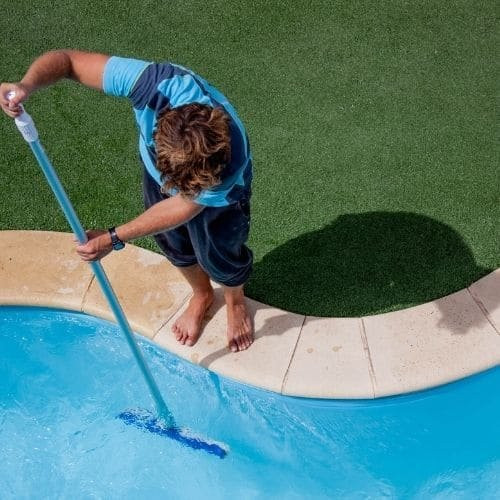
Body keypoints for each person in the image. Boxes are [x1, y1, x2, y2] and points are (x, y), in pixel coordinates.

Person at [0, 50, 254, 352]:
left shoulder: (230, 159)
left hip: (219, 200)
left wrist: (113, 237)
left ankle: (234, 301)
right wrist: (26, 85)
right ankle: (201, 294)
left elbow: (184, 206)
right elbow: (67, 62)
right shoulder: (152, 84)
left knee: (221, 256)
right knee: (174, 243)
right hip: (160, 170)